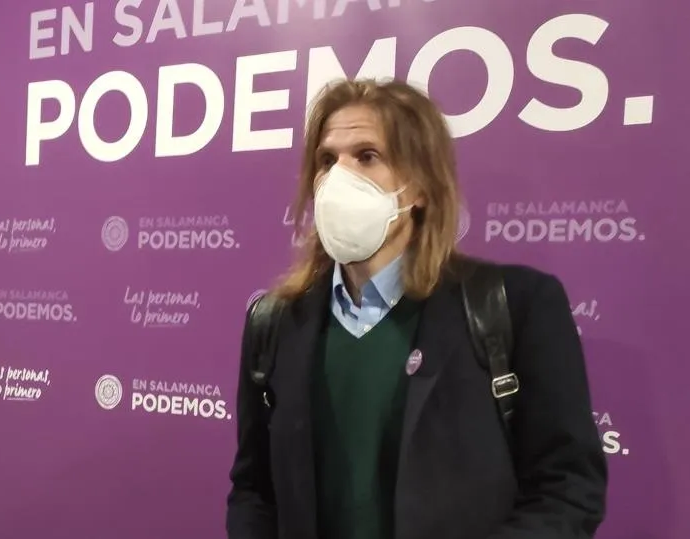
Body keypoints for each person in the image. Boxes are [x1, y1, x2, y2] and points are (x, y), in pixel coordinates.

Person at [225, 78, 607, 539]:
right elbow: (254, 489)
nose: (338, 177)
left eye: (367, 156)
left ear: (420, 186)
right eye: (327, 160)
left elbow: (567, 487)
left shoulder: (516, 306)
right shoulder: (275, 322)